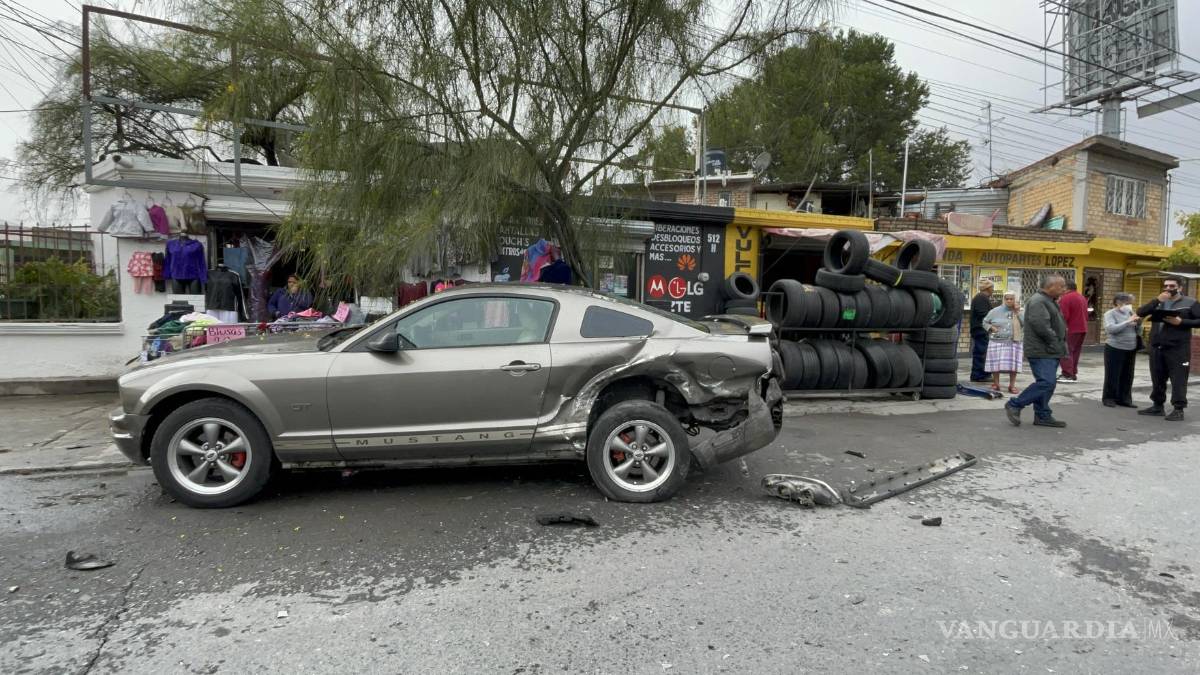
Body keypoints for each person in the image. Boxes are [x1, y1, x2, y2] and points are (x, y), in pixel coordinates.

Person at [1005, 275, 1068, 428]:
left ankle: (1042, 415)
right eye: (1061, 286)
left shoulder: (1048, 301)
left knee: (1048, 383)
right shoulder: (1038, 301)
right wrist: (1054, 342)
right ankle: (1015, 404)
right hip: (1042, 350)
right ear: (1051, 286)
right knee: (1046, 382)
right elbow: (1041, 326)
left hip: (1050, 349)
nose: (1064, 290)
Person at [1136, 276, 1200, 421]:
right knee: (1157, 377)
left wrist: (1182, 322)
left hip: (1178, 348)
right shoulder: (1158, 302)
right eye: (1166, 286)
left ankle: (1178, 409)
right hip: (1157, 346)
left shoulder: (1190, 303)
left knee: (1178, 379)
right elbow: (1140, 312)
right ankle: (1157, 406)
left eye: (1172, 286)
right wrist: (1157, 300)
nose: (1168, 289)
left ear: (1180, 288)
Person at [1101, 293, 1140, 409]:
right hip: (1115, 347)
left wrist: (1138, 323)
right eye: (1127, 303)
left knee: (1128, 375)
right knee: (1113, 374)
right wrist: (1127, 322)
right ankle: (1109, 398)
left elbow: (1137, 329)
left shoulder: (1130, 313)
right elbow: (1111, 329)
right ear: (1118, 302)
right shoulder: (1110, 313)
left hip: (1131, 347)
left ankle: (1124, 399)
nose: (1129, 306)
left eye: (1130, 303)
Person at [982, 292, 1024, 394]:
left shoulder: (1020, 311)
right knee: (995, 364)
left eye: (1011, 299)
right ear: (1004, 300)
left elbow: (1025, 323)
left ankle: (1012, 385)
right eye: (1007, 299)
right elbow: (985, 322)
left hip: (1014, 341)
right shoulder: (995, 311)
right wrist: (991, 328)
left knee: (1013, 365)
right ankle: (996, 384)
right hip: (997, 341)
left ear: (1015, 300)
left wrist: (1018, 312)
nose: (1009, 301)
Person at [1057, 281, 1088, 382]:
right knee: (1075, 351)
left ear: (1066, 288)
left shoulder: (1066, 298)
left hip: (1070, 328)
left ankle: (1067, 374)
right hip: (1082, 328)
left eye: (1062, 287)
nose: (1060, 290)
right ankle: (1073, 373)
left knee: (1065, 351)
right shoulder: (1082, 297)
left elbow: (1063, 316)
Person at [969, 279, 995, 382]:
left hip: (980, 329)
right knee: (981, 352)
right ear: (988, 288)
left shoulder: (982, 297)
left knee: (983, 352)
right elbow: (983, 314)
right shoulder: (981, 298)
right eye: (992, 287)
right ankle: (978, 375)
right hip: (980, 329)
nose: (993, 290)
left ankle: (982, 374)